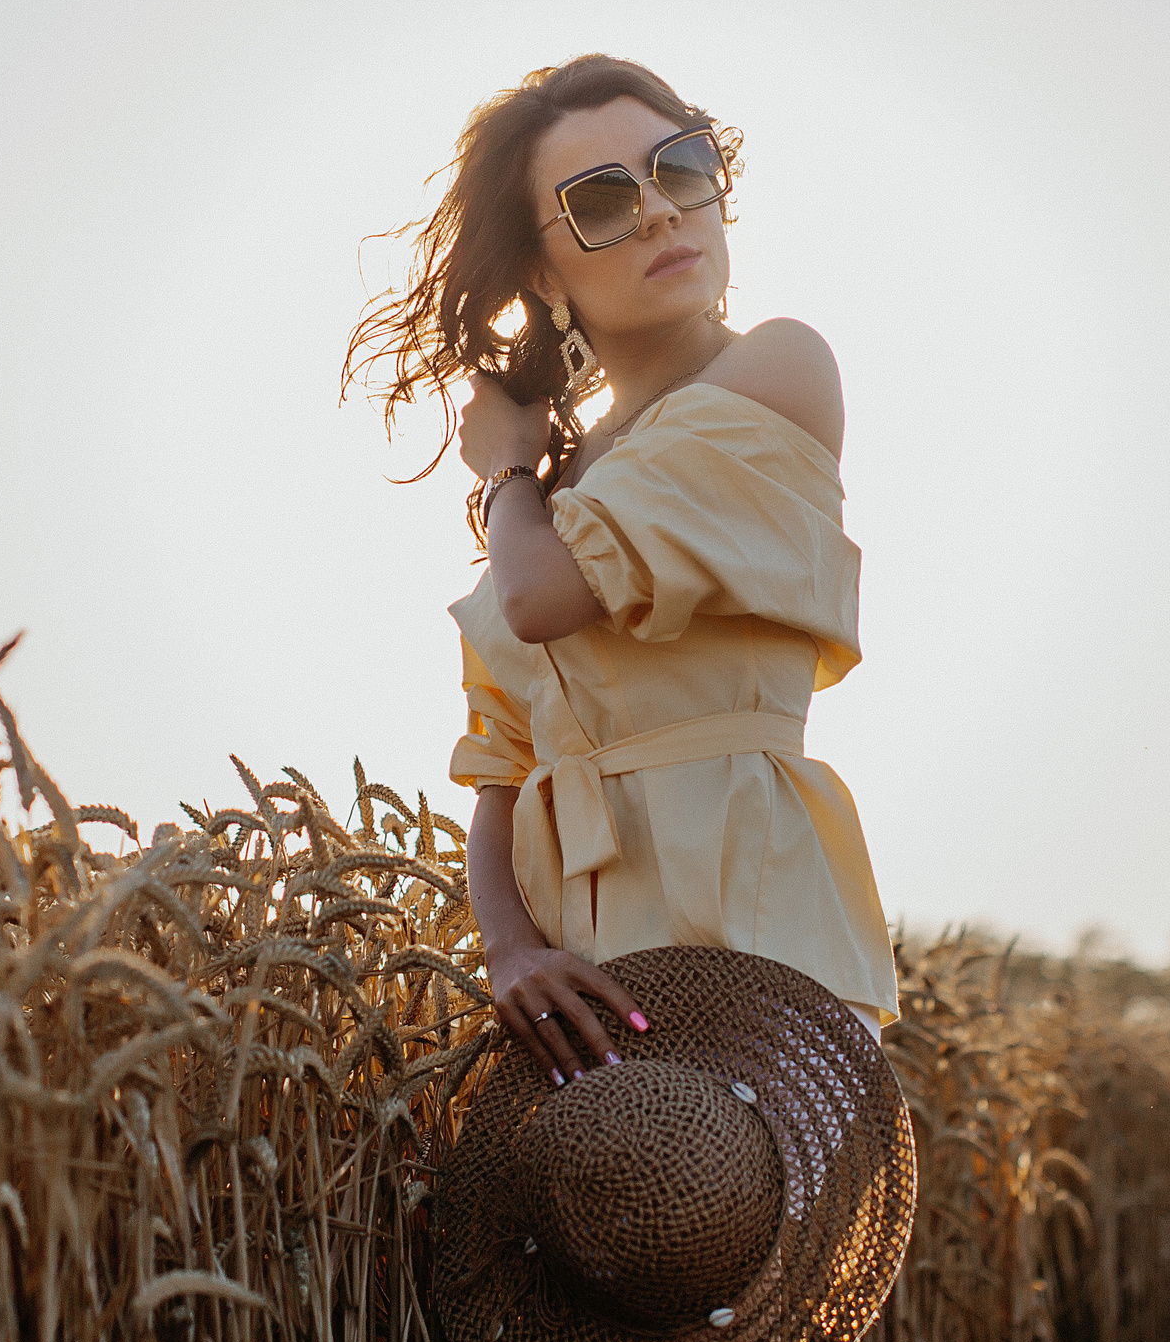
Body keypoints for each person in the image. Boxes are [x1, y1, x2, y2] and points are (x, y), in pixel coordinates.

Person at [344, 53, 900, 1086]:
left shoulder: (775, 368)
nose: (654, 212)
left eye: (678, 168)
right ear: (543, 272)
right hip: (578, 1000)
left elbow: (541, 600)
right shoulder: (555, 498)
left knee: (743, 1228)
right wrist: (510, 950)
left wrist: (506, 463)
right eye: (600, 199)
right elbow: (504, 773)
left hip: (757, 944)